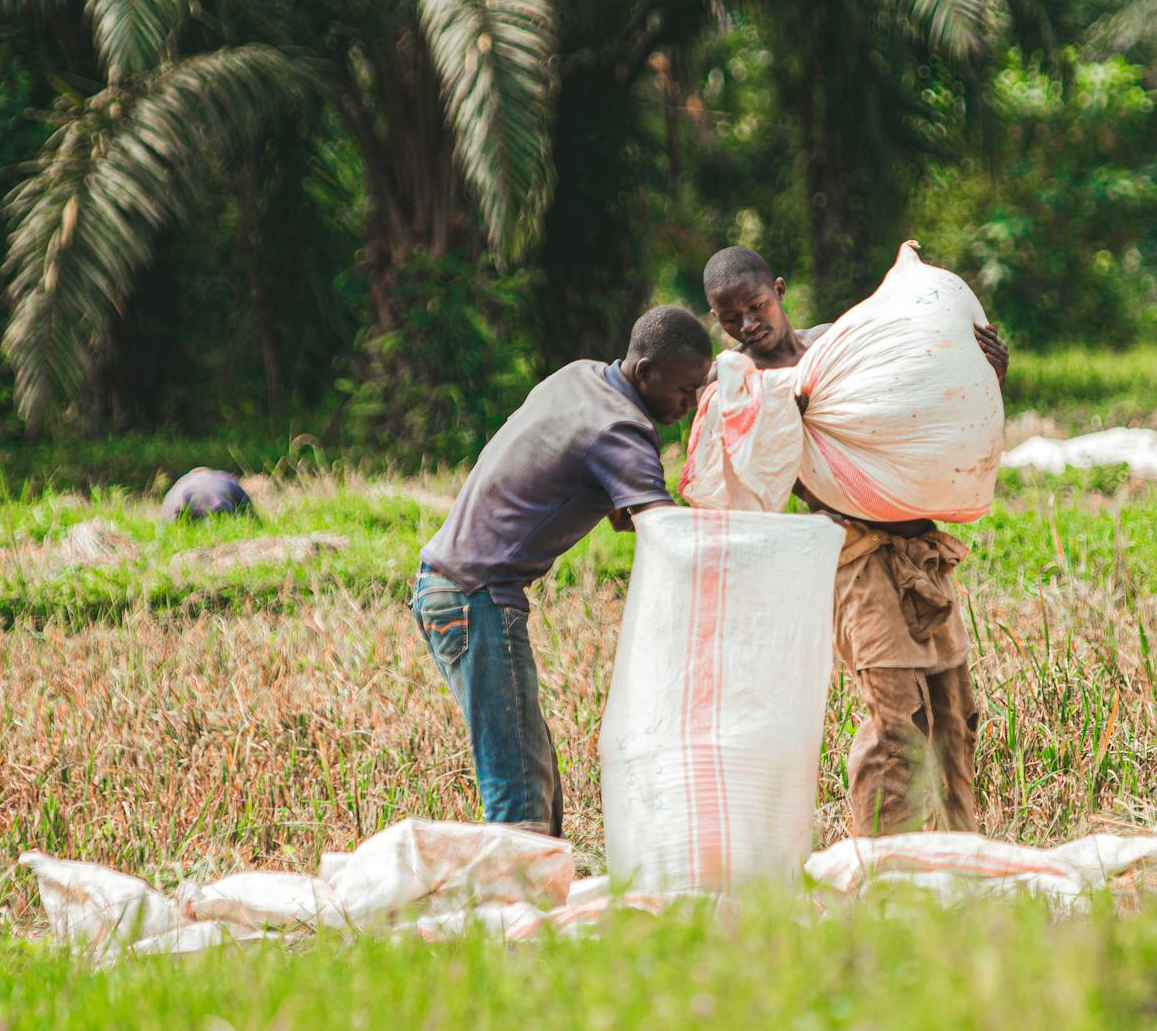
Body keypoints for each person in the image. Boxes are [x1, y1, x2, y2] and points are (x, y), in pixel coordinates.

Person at [701, 245, 1008, 837]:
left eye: (756, 305)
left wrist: (984, 373)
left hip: (923, 553)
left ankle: (959, 854)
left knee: (954, 713)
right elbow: (747, 476)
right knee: (898, 722)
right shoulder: (740, 381)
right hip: (855, 563)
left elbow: (924, 398)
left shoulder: (834, 350)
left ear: (781, 290)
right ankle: (882, 864)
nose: (747, 324)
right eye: (729, 317)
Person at [413, 304, 713, 835]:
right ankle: (515, 913)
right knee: (520, 785)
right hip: (477, 598)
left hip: (447, 588)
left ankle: (538, 898)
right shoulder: (621, 426)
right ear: (646, 373)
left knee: (534, 771)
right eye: (686, 391)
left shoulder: (581, 376)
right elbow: (663, 531)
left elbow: (621, 509)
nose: (690, 405)